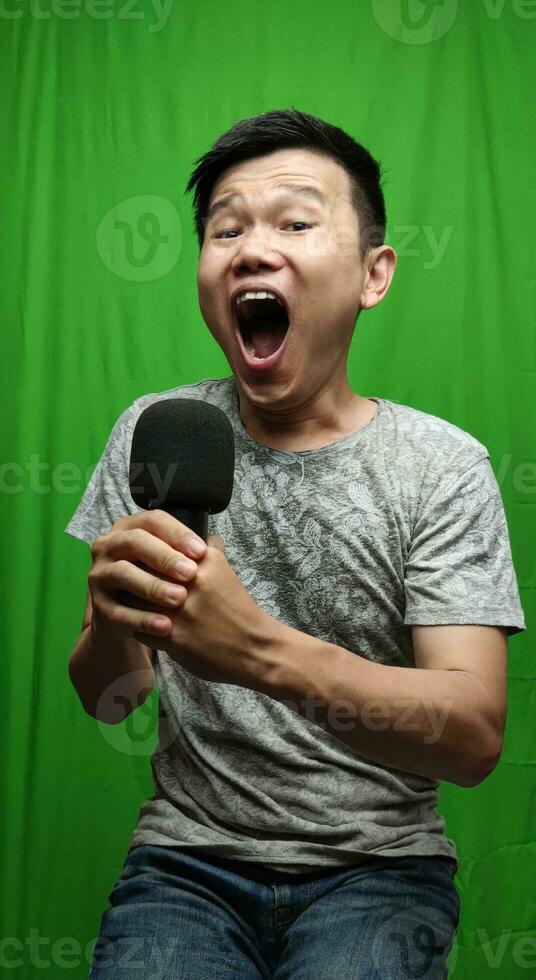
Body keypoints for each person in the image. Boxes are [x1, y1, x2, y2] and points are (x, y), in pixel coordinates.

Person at [66, 109, 526, 979]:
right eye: (225, 228)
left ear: (373, 273)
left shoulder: (440, 466)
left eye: (296, 222)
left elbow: (472, 738)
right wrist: (116, 624)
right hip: (186, 863)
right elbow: (110, 702)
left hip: (383, 869)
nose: (248, 249)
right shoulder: (159, 432)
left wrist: (259, 651)